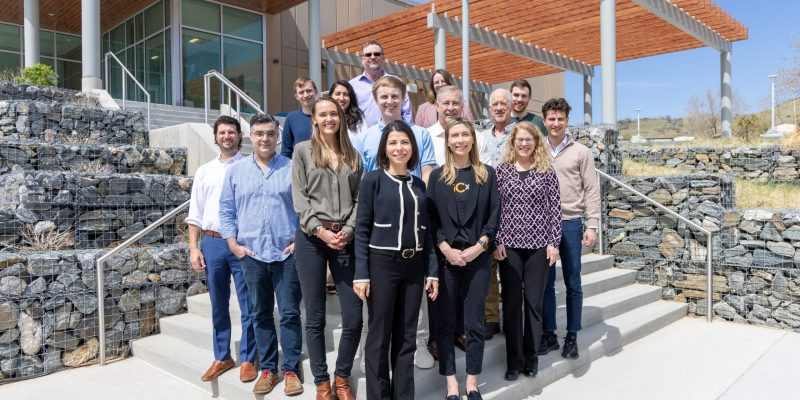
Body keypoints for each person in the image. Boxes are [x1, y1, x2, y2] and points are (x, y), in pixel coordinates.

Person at [353, 121, 439, 400]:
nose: (399, 148)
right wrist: (361, 273)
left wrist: (432, 272)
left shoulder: (419, 185)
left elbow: (427, 232)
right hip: (382, 264)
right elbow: (362, 229)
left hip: (414, 267)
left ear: (412, 147)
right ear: (384, 148)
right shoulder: (373, 180)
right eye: (392, 143)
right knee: (379, 337)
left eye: (404, 142)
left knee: (406, 338)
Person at [219, 114, 304, 396]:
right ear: (250, 137)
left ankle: (290, 370)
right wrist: (233, 245)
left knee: (289, 313)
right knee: (260, 313)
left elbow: (305, 207)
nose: (264, 138)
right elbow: (226, 210)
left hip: (286, 254)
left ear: (277, 137)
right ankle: (268, 369)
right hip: (252, 255)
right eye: (259, 133)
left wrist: (299, 240)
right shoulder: (236, 171)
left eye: (270, 133)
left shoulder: (292, 168)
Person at [292, 97, 364, 400]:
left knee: (355, 316)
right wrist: (321, 231)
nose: (329, 119)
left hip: (345, 238)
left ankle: (342, 378)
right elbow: (300, 198)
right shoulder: (302, 151)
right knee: (315, 316)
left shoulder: (353, 155)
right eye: (323, 114)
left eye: (334, 113)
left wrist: (348, 230)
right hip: (312, 238)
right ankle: (322, 383)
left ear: (341, 117)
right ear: (314, 119)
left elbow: (360, 199)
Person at [427, 119, 500, 400]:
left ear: (473, 139)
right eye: (455, 135)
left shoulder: (487, 175)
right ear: (447, 141)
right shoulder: (437, 177)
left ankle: (471, 382)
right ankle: (451, 385)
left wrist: (479, 247)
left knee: (474, 323)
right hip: (447, 259)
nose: (460, 140)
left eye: (465, 135)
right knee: (445, 322)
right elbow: (432, 220)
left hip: (477, 258)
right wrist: (445, 248)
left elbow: (494, 217)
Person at [185, 116, 257, 384]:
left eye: (232, 132)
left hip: (242, 242)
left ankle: (248, 357)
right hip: (213, 242)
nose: (227, 136)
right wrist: (194, 247)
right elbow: (195, 212)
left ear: (240, 136)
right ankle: (222, 356)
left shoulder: (251, 166)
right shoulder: (205, 171)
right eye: (222, 132)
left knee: (249, 303)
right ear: (215, 137)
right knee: (218, 303)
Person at [493, 121, 562, 381]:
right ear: (513, 142)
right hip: (509, 246)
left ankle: (531, 360)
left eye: (528, 139)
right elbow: (495, 209)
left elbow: (556, 209)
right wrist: (497, 240)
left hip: (538, 247)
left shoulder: (546, 171)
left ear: (536, 142)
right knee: (512, 305)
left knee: (533, 304)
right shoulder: (502, 172)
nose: (524, 144)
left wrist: (554, 242)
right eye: (519, 139)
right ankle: (514, 362)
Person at [539, 98, 600, 360]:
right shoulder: (537, 148)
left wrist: (592, 224)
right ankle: (549, 334)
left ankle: (572, 335)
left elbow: (592, 189)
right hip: (541, 224)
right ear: (544, 121)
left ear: (567, 121)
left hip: (571, 223)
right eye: (551, 119)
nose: (555, 123)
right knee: (545, 283)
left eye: (560, 119)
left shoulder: (581, 152)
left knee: (573, 281)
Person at [478, 88, 515, 341]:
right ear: (489, 108)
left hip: (514, 209)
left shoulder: (520, 134)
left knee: (511, 267)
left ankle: (512, 317)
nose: (499, 108)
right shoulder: (481, 137)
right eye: (495, 104)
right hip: (488, 207)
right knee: (489, 266)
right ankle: (491, 318)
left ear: (511, 106)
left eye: (503, 103)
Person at [355, 75, 436, 183]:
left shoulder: (422, 134)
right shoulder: (362, 138)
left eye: (394, 96)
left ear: (403, 98)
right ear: (376, 100)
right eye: (384, 97)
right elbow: (362, 179)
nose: (390, 101)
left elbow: (427, 174)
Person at [349, 40, 413, 126]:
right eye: (368, 55)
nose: (373, 57)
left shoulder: (396, 82)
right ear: (362, 60)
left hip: (393, 132)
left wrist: (408, 130)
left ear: (383, 58)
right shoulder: (352, 85)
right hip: (364, 134)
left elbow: (406, 112)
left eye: (376, 54)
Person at [426, 85, 489, 167]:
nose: (451, 108)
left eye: (455, 103)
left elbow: (485, 171)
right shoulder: (426, 136)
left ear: (462, 107)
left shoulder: (477, 137)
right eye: (446, 103)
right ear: (437, 106)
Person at [281, 77, 318, 158]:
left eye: (309, 91)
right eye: (301, 92)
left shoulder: (326, 116)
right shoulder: (291, 118)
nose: (306, 95)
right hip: (302, 164)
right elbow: (286, 151)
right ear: (296, 96)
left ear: (316, 91)